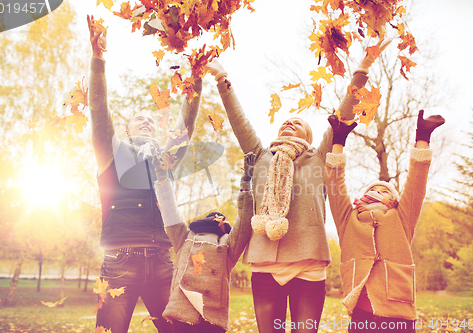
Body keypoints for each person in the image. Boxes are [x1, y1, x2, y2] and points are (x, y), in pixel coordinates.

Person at [206, 40, 390, 332]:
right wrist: (221, 79)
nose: (289, 124)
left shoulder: (318, 157)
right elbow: (238, 120)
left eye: (297, 122)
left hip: (308, 264)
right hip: (266, 263)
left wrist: (362, 70)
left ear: (309, 134)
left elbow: (343, 114)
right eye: (285, 123)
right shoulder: (261, 155)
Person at [86, 15, 202, 333]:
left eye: (151, 119)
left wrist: (196, 80)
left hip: (163, 263)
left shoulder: (163, 160)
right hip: (119, 263)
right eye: (140, 119)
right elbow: (98, 111)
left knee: (180, 330)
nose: (147, 121)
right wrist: (98, 60)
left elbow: (185, 128)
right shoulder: (112, 153)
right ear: (125, 130)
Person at [325, 110, 445, 332]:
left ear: (394, 200)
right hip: (361, 311)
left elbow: (416, 183)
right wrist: (338, 141)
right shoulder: (349, 218)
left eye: (385, 191)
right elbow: (334, 187)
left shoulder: (401, 217)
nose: (379, 191)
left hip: (397, 310)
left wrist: (422, 139)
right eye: (373, 190)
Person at [152, 152, 255, 333]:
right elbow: (170, 212)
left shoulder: (227, 244)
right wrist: (162, 180)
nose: (216, 219)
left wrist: (246, 186)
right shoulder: (185, 237)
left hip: (212, 313)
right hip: (182, 309)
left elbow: (245, 223)